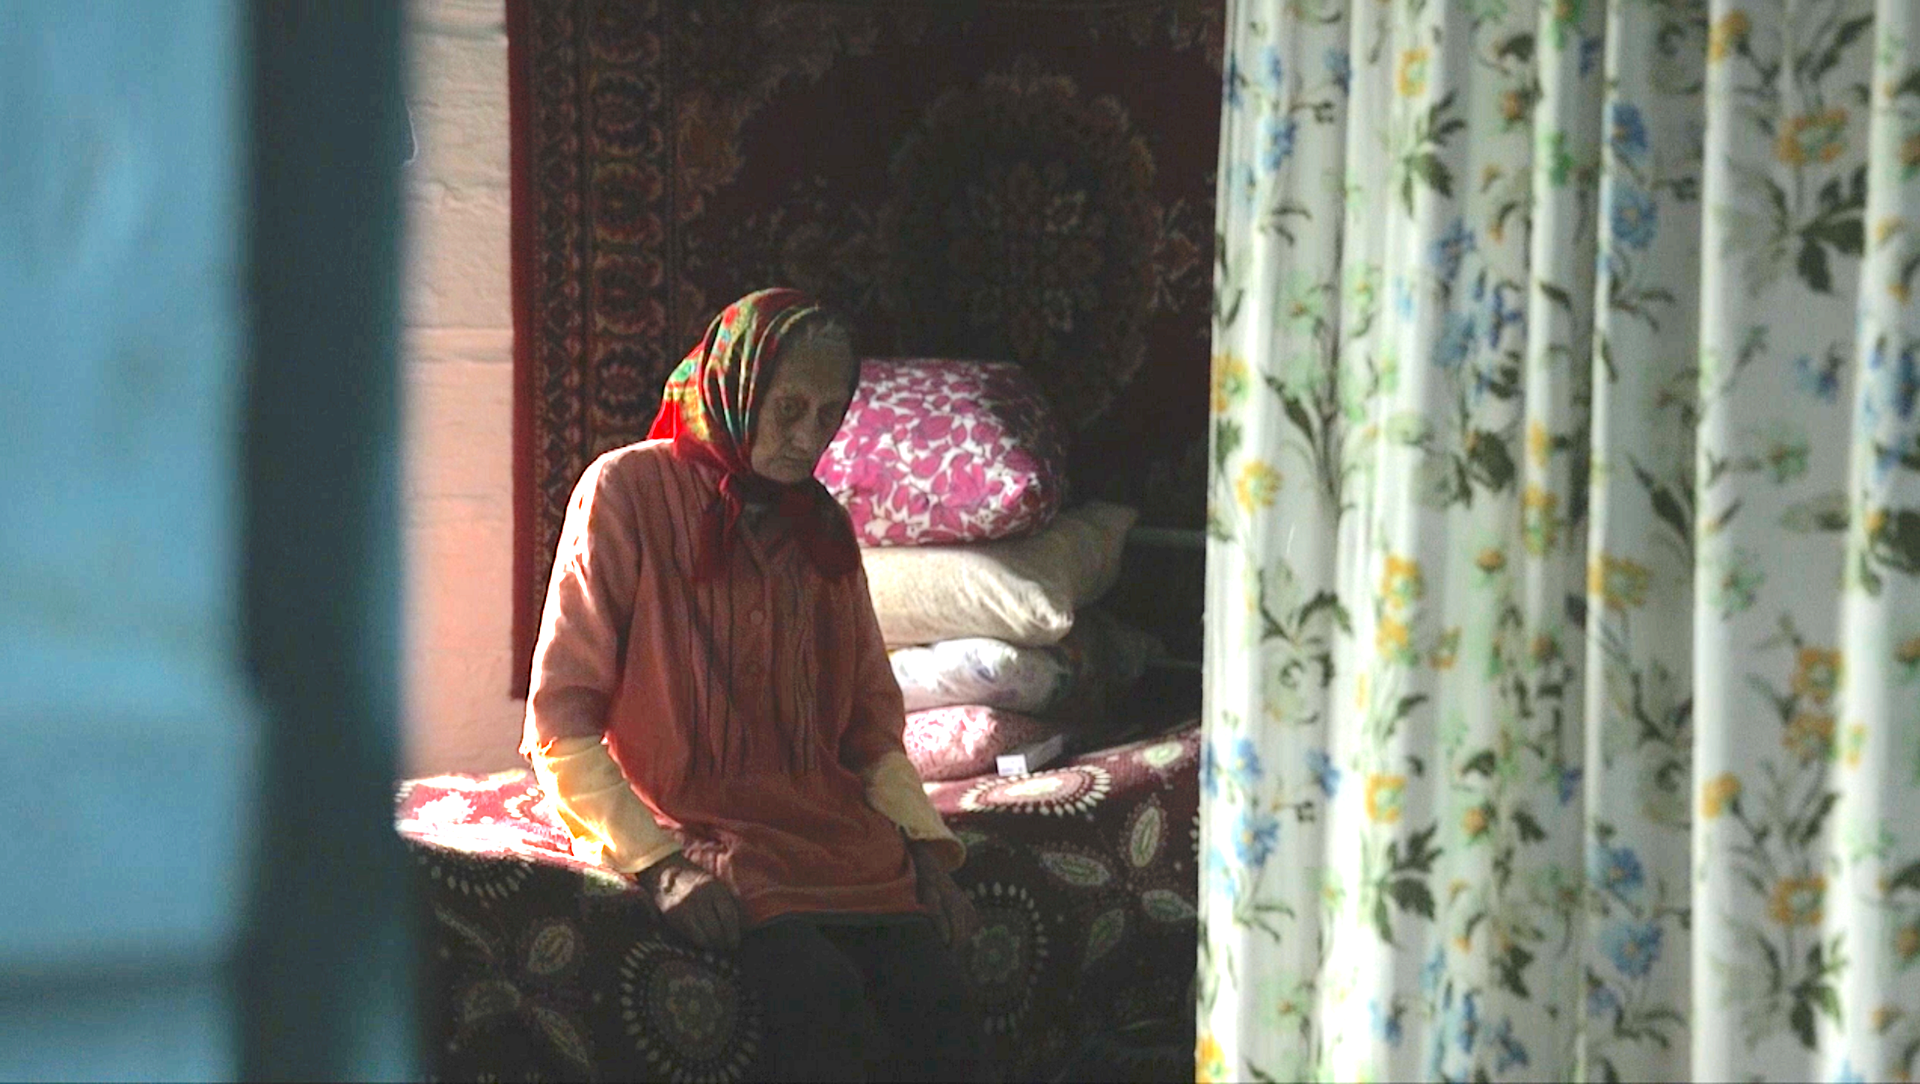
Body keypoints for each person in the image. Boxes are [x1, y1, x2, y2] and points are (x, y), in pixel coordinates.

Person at [520, 288, 985, 1082]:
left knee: (944, 1010)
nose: (809, 438)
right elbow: (560, 724)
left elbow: (871, 729)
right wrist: (660, 865)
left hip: (838, 841)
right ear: (734, 388)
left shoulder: (824, 527)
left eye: (829, 414)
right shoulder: (626, 491)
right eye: (790, 408)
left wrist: (923, 851)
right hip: (702, 828)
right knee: (826, 1011)